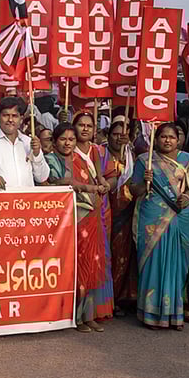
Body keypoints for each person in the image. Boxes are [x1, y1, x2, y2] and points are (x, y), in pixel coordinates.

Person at [126, 123, 189, 330]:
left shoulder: (188, 161)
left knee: (178, 265)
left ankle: (174, 314)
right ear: (157, 138)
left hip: (181, 216)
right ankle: (150, 314)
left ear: (178, 139)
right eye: (163, 136)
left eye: (171, 137)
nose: (167, 140)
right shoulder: (144, 161)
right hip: (152, 218)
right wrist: (143, 182)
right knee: (153, 262)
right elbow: (134, 190)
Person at [44, 124, 107, 332]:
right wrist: (85, 187)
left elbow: (97, 180)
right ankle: (72, 316)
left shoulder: (82, 159)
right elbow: (56, 181)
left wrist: (102, 185)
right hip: (68, 220)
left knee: (91, 263)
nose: (68, 143)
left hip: (90, 216)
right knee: (72, 267)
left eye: (71, 139)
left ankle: (87, 315)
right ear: (55, 141)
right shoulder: (50, 160)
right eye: (63, 139)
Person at [72, 112, 117, 321]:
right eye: (80, 125)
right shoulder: (67, 150)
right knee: (79, 260)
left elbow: (111, 177)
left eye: (89, 126)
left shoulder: (99, 152)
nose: (85, 129)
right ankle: (77, 313)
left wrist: (108, 184)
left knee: (97, 260)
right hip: (77, 213)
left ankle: (93, 311)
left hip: (98, 212)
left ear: (94, 129)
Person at [0, 96, 49, 190]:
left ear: (21, 119)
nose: (10, 120)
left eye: (14, 116)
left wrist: (37, 154)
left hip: (26, 201)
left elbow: (42, 178)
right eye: (6, 115)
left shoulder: (28, 142)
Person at [107, 117, 138, 312]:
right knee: (110, 254)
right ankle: (109, 298)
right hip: (108, 210)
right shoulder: (101, 154)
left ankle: (124, 296)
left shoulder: (130, 155)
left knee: (126, 255)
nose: (120, 138)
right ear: (108, 136)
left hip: (128, 211)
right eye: (116, 134)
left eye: (123, 134)